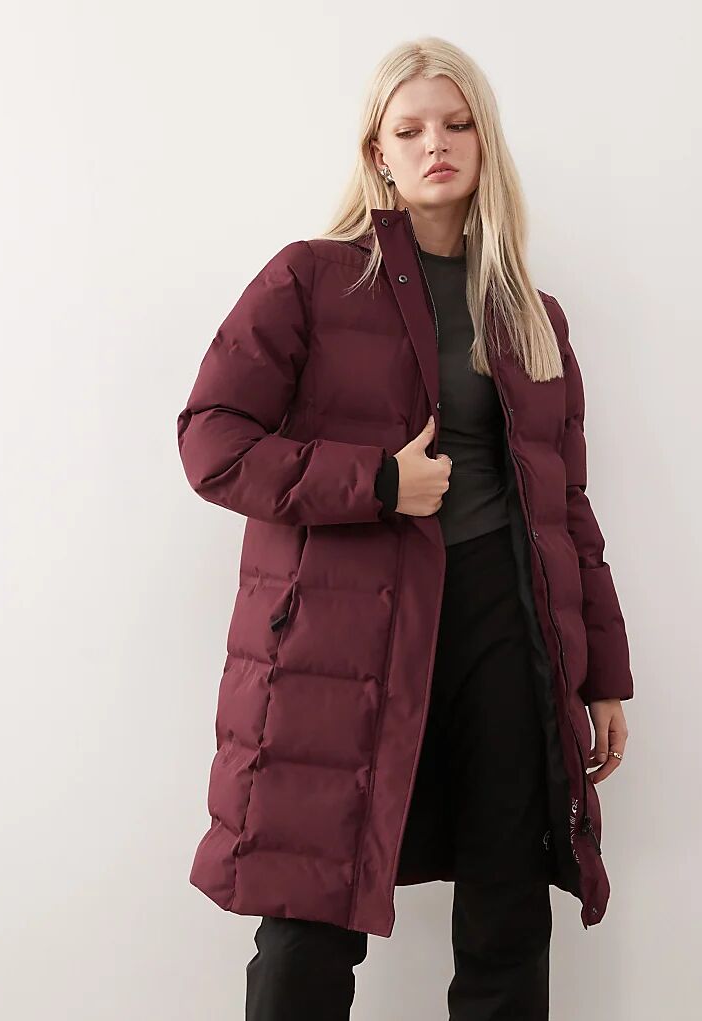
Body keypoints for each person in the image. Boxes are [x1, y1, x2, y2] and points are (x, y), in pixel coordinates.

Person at [177, 35, 633, 1021]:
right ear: (377, 152)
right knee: (309, 915)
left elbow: (567, 508)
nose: (437, 144)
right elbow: (211, 440)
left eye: (458, 124)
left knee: (509, 910)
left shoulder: (532, 315)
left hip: (501, 632)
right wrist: (378, 481)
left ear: (485, 142)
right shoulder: (309, 280)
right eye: (411, 128)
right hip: (343, 642)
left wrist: (601, 674)